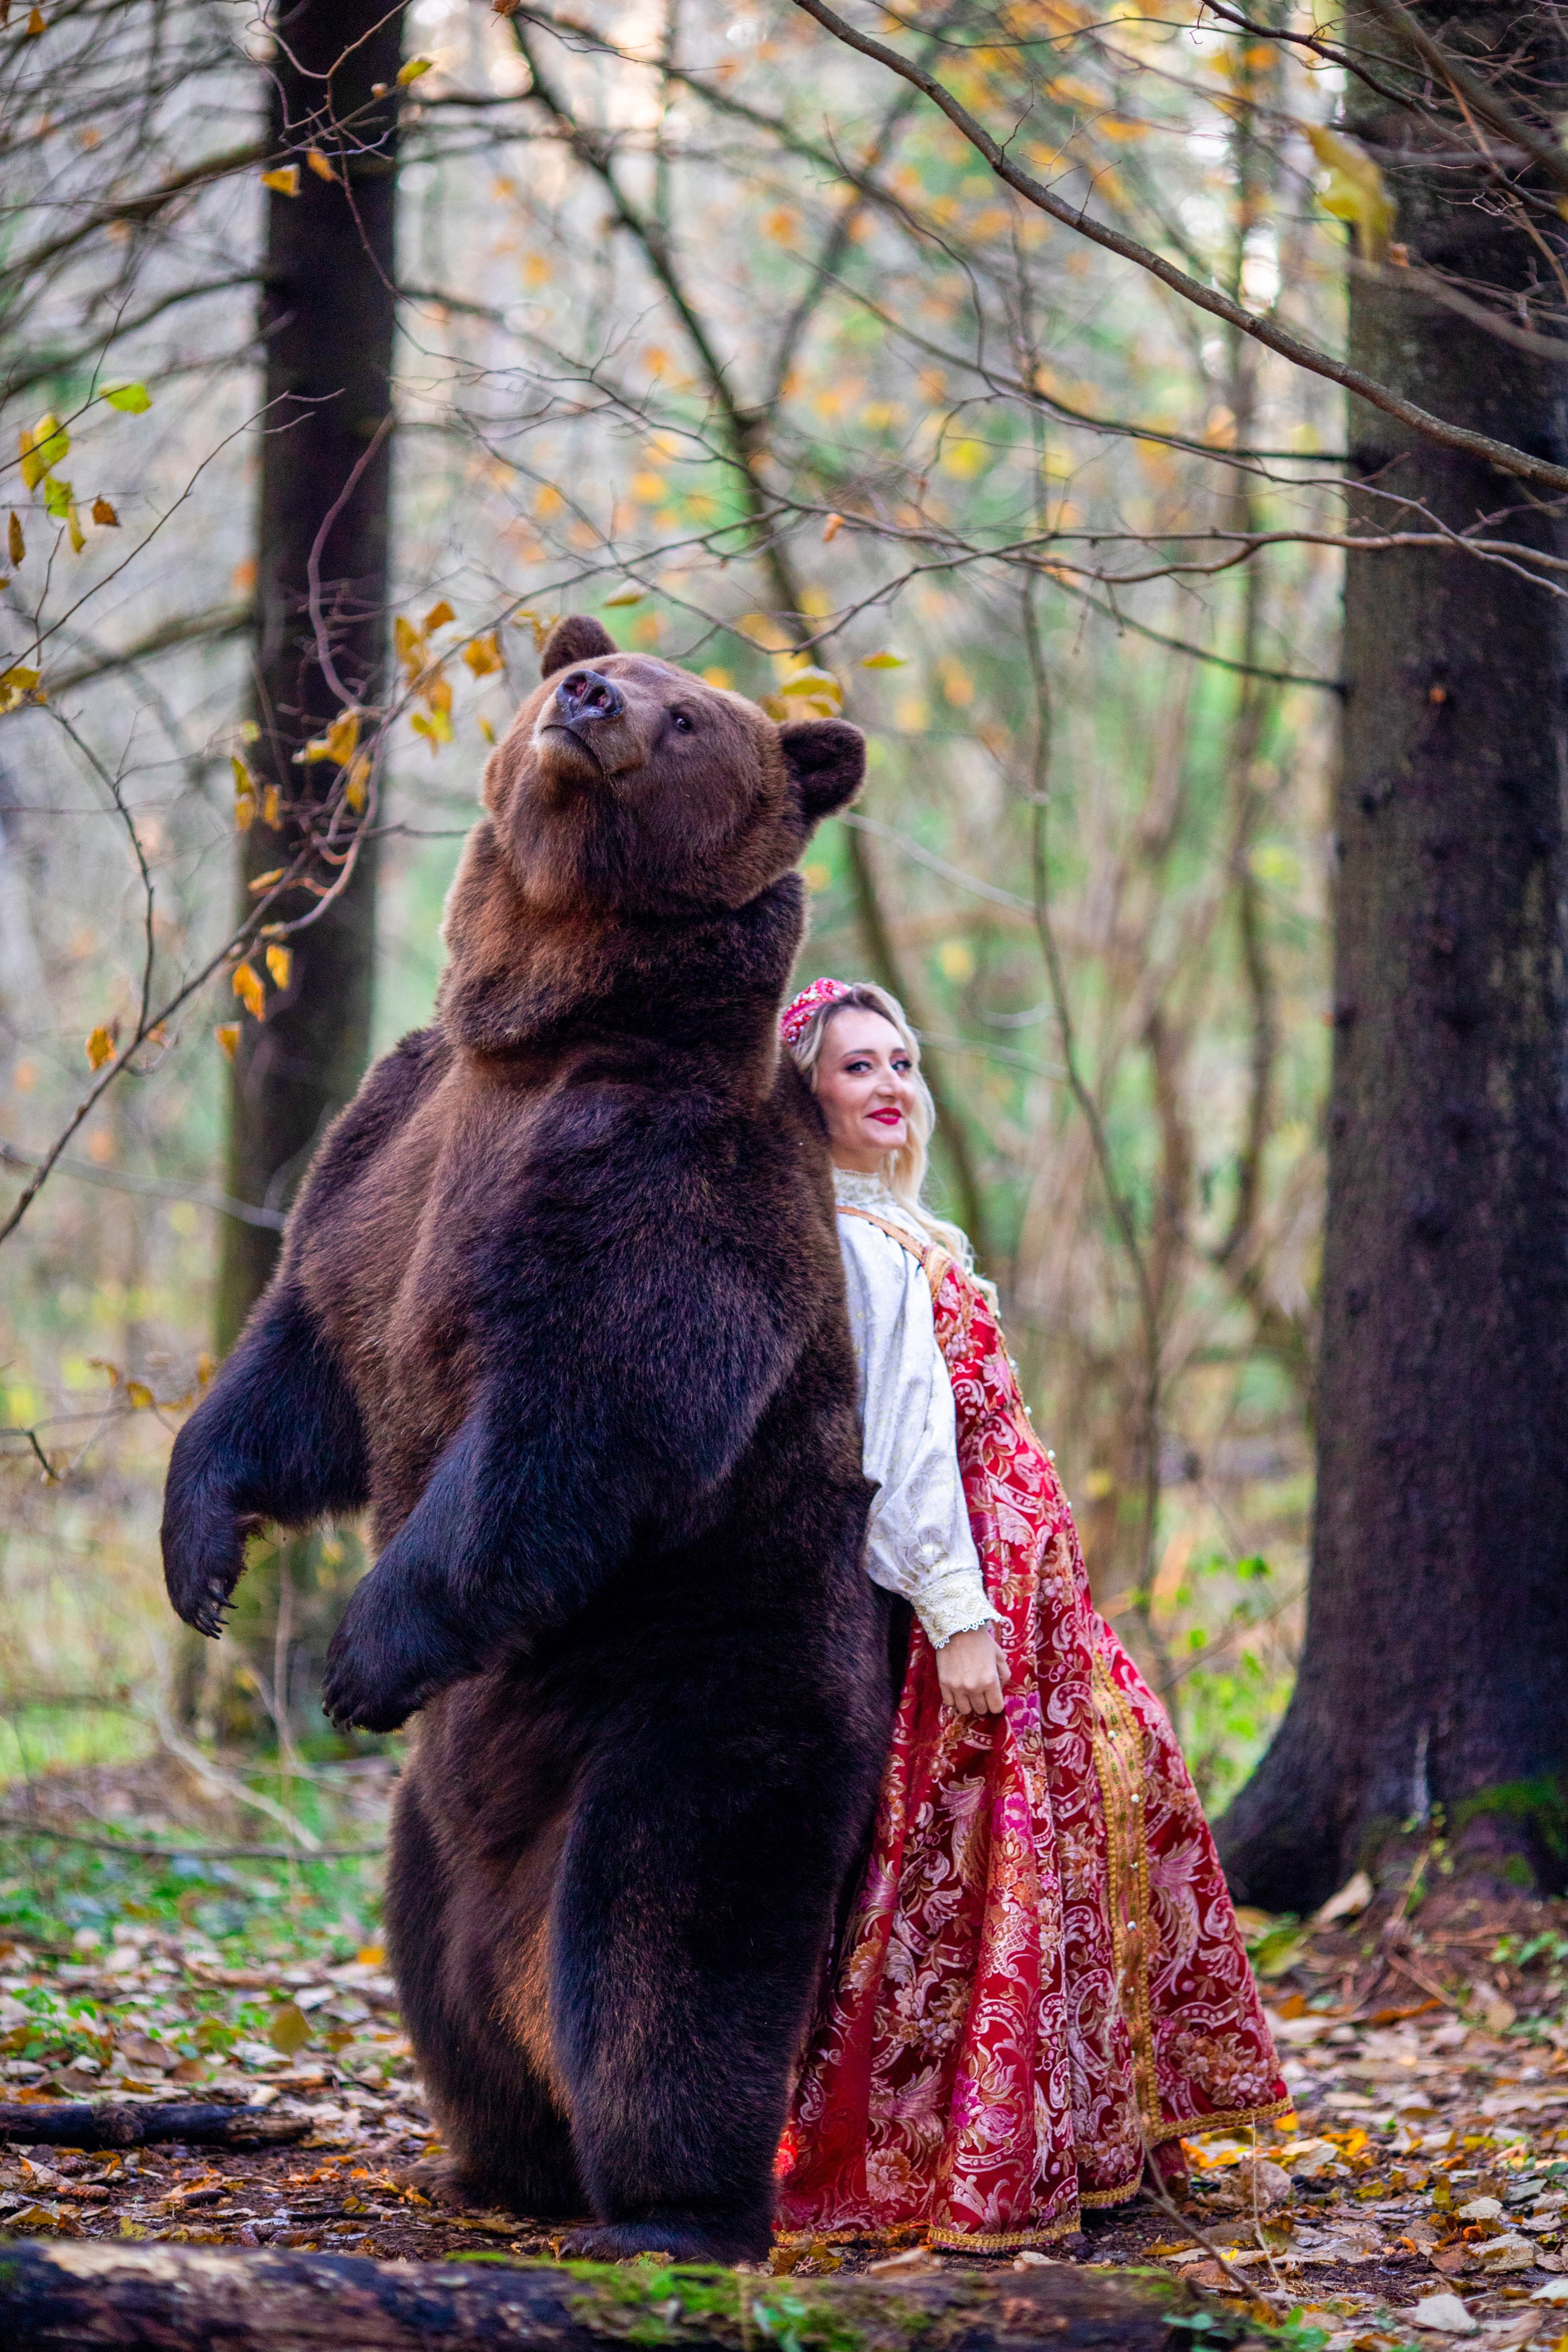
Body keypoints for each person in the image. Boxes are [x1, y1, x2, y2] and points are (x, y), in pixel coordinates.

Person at [774, 976, 1286, 2253]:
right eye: (854, 1069)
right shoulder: (851, 1244)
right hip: (979, 1594)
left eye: (898, 1061)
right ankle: (942, 2160)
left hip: (1034, 1587)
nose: (888, 1084)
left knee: (1091, 1820)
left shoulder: (910, 1231)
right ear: (805, 1095)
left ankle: (1085, 2136)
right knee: (974, 1869)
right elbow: (898, 1449)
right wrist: (956, 1615)